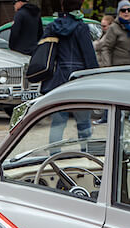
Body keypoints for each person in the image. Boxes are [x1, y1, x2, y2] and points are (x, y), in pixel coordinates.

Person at [42, 0, 99, 145]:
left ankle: (53, 153)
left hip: (58, 81)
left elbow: (45, 54)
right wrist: (96, 78)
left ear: (62, 6)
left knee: (58, 123)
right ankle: (85, 153)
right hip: (79, 81)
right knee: (83, 122)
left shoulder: (51, 27)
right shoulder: (82, 28)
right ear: (79, 7)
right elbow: (89, 57)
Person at [96, 1, 130, 67]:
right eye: (123, 10)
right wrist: (107, 66)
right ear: (119, 12)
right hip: (119, 67)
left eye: (129, 10)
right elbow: (106, 48)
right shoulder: (113, 27)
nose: (126, 12)